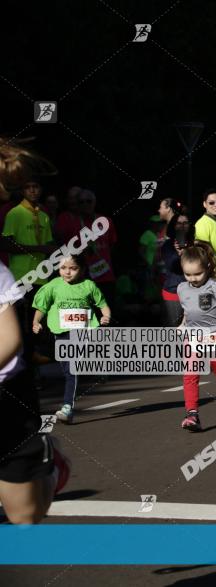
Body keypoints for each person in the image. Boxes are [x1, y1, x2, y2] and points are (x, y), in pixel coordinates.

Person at [0, 137, 70, 525]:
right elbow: (9, 240)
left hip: (6, 392)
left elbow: (7, 339)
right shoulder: (14, 214)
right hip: (26, 277)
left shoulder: (41, 213)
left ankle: (47, 461)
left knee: (24, 516)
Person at [32, 253, 111, 424]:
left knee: (71, 369)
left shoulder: (88, 286)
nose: (67, 272)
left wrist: (106, 317)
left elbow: (103, 305)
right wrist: (36, 321)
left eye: (73, 268)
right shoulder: (53, 286)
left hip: (82, 332)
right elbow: (41, 306)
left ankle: (67, 406)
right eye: (63, 268)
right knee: (67, 369)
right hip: (61, 332)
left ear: (82, 270)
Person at [177, 242, 216, 431]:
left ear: (207, 268)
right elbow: (189, 310)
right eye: (188, 274)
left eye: (197, 274)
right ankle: (192, 414)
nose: (193, 278)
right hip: (193, 336)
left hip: (214, 334)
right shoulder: (182, 288)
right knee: (190, 375)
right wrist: (182, 324)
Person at [160, 213, 193, 326]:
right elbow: (171, 266)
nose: (182, 226)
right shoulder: (168, 245)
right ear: (173, 226)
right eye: (179, 223)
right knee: (175, 329)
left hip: (194, 292)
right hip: (174, 292)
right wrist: (180, 254)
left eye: (185, 223)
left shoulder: (195, 244)